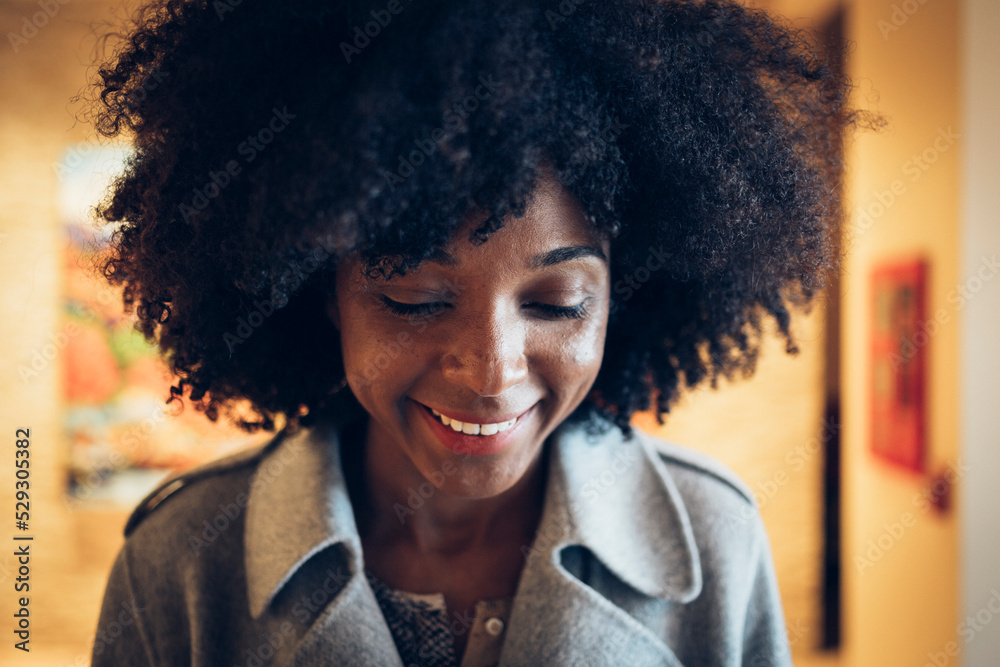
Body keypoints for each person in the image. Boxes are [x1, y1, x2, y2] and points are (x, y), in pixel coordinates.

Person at [86, 0, 858, 664]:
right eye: (416, 298)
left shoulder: (716, 539)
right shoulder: (178, 564)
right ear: (322, 295)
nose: (492, 372)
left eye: (556, 301)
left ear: (628, 290)